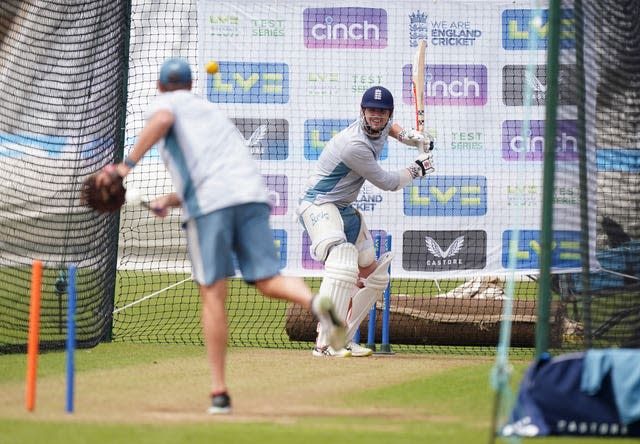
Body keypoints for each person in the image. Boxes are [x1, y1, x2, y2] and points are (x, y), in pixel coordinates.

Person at [95, 57, 347, 414]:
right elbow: (216, 174)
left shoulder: (165, 105)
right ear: (191, 84)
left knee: (213, 294)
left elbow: (165, 120)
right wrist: (171, 199)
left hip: (211, 205)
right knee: (267, 279)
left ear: (160, 86)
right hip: (251, 197)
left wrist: (126, 165)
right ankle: (314, 303)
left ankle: (219, 392)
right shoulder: (210, 111)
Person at [298, 85, 434, 357]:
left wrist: (411, 137)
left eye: (382, 112)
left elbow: (392, 129)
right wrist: (417, 168)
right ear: (362, 112)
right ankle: (324, 344)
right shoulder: (354, 145)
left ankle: (343, 340)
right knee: (342, 261)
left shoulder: (382, 125)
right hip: (318, 204)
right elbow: (387, 182)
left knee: (373, 275)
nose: (377, 116)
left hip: (344, 209)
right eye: (372, 110)